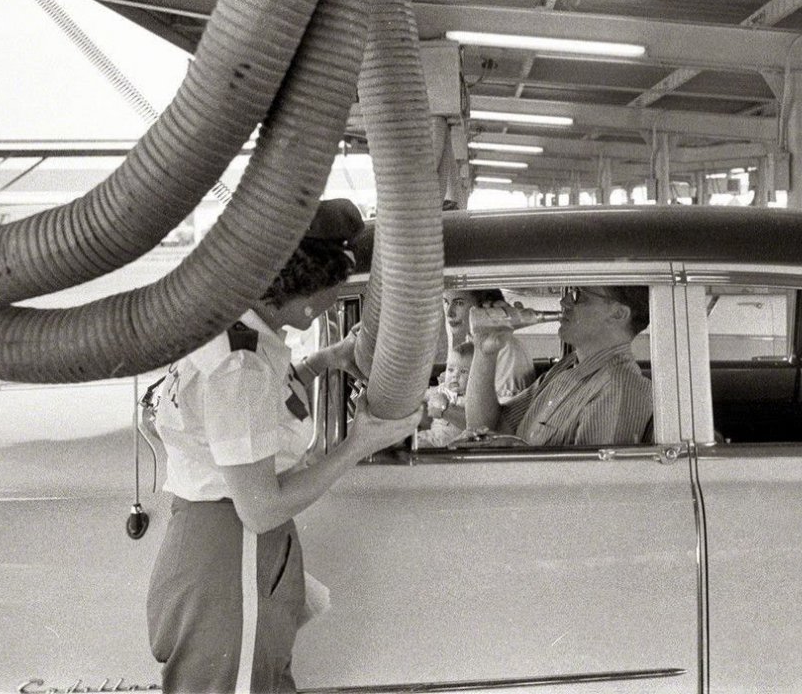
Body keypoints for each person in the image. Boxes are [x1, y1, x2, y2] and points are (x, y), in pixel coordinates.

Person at [145, 199, 421, 693]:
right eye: (336, 291)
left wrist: (321, 363)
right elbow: (260, 507)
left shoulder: (236, 332)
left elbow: (247, 414)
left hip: (219, 545)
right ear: (310, 293)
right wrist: (359, 442)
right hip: (235, 553)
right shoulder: (241, 366)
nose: (336, 304)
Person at [466, 285, 653, 446]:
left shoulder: (620, 386)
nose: (564, 302)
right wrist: (485, 351)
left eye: (578, 295)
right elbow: (484, 430)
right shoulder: (565, 367)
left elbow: (594, 484)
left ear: (618, 314)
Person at [443, 288, 534, 403]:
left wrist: (443, 407)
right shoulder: (474, 339)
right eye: (446, 302)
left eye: (459, 303)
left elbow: (505, 416)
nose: (449, 313)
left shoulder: (505, 350)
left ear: (483, 308)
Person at [416, 342, 473, 447]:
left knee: (417, 444)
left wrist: (448, 405)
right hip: (434, 435)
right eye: (450, 370)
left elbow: (473, 420)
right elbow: (423, 395)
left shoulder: (471, 396)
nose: (455, 376)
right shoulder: (443, 388)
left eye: (464, 371)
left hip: (451, 441)